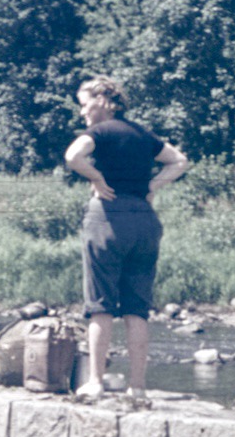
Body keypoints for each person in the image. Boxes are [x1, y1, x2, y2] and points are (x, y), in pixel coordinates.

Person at [63, 75, 189, 401]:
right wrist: (152, 186)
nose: (82, 112)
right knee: (136, 308)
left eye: (84, 103)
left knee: (100, 304)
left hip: (108, 218)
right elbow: (179, 161)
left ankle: (95, 382)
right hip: (145, 221)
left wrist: (96, 176)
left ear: (103, 100)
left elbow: (72, 156)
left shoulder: (100, 132)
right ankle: (138, 387)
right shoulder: (142, 134)